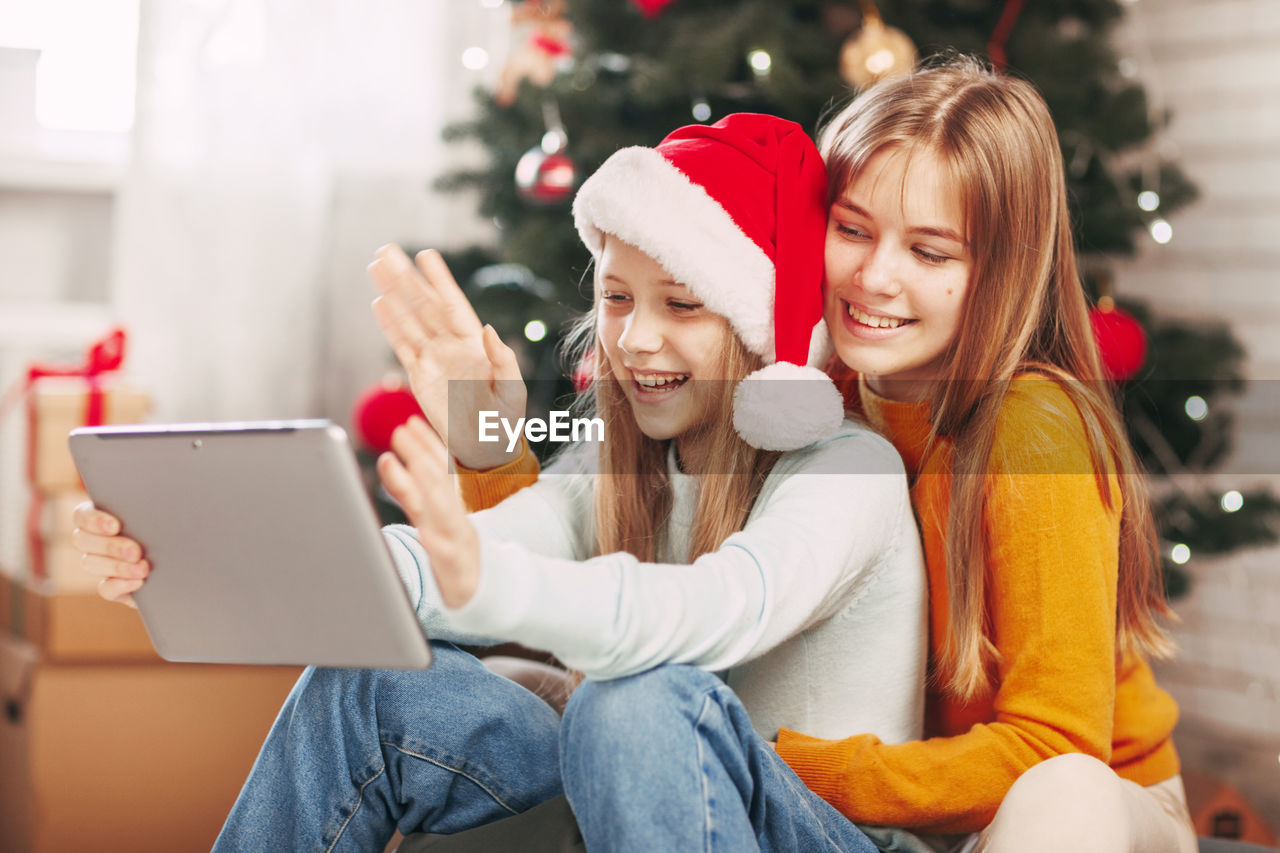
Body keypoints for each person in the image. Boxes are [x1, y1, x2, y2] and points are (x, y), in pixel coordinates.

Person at [71, 113, 928, 852]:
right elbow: (489, 540)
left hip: (825, 828)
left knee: (635, 699)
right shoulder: (623, 461)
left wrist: (489, 585)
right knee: (369, 680)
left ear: (760, 328)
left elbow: (709, 616)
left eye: (683, 305)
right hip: (643, 774)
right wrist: (208, 557)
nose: (634, 339)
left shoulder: (848, 470)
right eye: (621, 300)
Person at [454, 58, 1199, 853]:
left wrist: (791, 763)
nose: (876, 276)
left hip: (1086, 803)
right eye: (852, 229)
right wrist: (487, 449)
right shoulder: (807, 394)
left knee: (1065, 792)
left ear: (999, 271)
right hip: (917, 807)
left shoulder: (1031, 428)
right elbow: (615, 523)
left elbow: (1057, 742)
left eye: (931, 252)